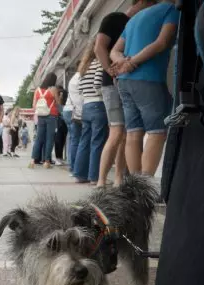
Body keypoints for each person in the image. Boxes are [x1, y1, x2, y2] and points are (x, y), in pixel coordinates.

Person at [111, 0, 178, 177]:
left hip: (124, 81)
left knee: (133, 133)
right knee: (157, 132)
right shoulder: (170, 10)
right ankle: (146, 184)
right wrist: (132, 62)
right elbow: (161, 42)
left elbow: (114, 51)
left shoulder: (133, 19)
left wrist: (122, 62)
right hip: (148, 78)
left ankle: (135, 187)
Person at [95, 4, 145, 187]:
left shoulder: (135, 23)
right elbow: (99, 47)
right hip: (113, 84)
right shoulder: (114, 18)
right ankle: (101, 180)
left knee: (124, 133)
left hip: (125, 83)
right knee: (117, 132)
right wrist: (110, 71)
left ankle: (117, 179)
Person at [74, 42, 108, 184]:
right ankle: (94, 177)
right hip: (97, 104)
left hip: (86, 106)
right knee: (97, 142)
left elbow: (80, 89)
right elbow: (97, 83)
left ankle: (80, 174)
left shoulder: (84, 66)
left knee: (84, 141)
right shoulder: (99, 63)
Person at [28, 73, 59, 169]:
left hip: (41, 116)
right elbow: (58, 102)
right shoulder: (53, 89)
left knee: (38, 139)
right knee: (49, 139)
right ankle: (46, 162)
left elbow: (34, 106)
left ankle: (32, 161)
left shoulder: (37, 90)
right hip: (51, 115)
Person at [63, 70, 83, 175]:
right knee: (78, 139)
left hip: (67, 110)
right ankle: (75, 167)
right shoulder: (81, 77)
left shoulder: (72, 78)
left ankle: (72, 165)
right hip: (74, 110)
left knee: (73, 139)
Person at [54, 86, 68, 165]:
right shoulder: (59, 105)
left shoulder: (61, 105)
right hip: (60, 121)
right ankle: (58, 158)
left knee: (60, 140)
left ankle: (59, 158)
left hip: (60, 121)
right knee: (60, 140)